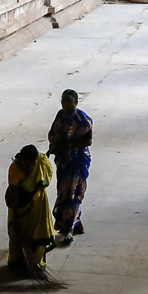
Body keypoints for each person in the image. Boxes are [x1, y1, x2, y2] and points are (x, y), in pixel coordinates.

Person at [47, 88, 93, 245]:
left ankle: (68, 228)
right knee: (63, 191)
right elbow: (53, 132)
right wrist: (53, 145)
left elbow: (88, 141)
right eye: (63, 101)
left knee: (73, 192)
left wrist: (68, 144)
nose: (65, 105)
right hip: (63, 161)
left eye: (69, 102)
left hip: (77, 160)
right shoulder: (60, 115)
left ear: (76, 103)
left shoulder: (83, 120)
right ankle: (76, 222)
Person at [5, 143, 54, 276]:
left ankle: (36, 263)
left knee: (38, 232)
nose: (29, 167)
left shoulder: (41, 164)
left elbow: (42, 181)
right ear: (20, 161)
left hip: (38, 204)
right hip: (19, 204)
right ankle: (17, 261)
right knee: (15, 234)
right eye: (25, 164)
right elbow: (14, 195)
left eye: (31, 164)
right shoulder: (14, 169)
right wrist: (17, 220)